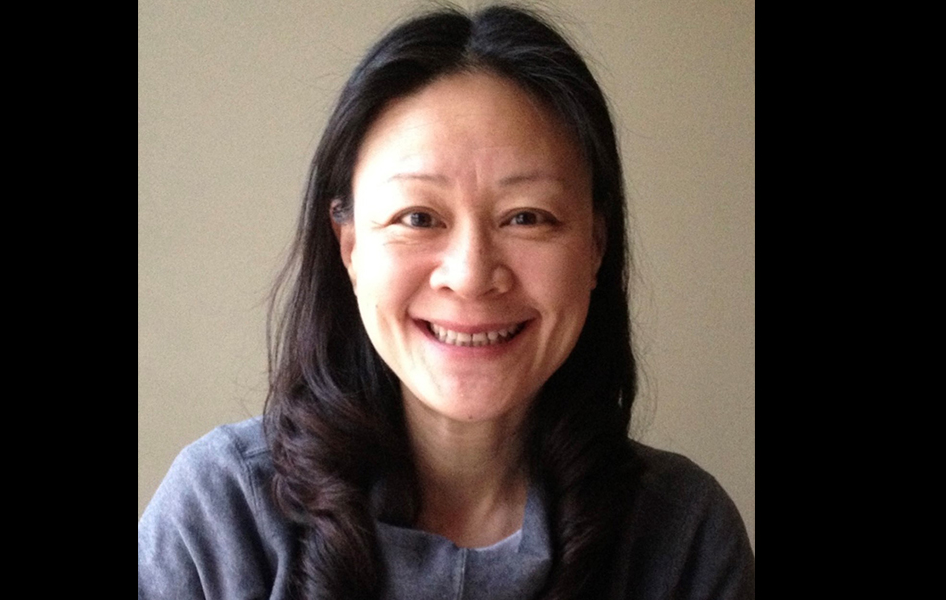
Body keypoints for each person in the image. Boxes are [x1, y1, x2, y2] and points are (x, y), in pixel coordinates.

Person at [138, 5, 754, 599]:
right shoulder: (222, 516)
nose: (470, 275)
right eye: (417, 216)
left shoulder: (683, 538)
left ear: (595, 245)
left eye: (526, 217)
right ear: (349, 246)